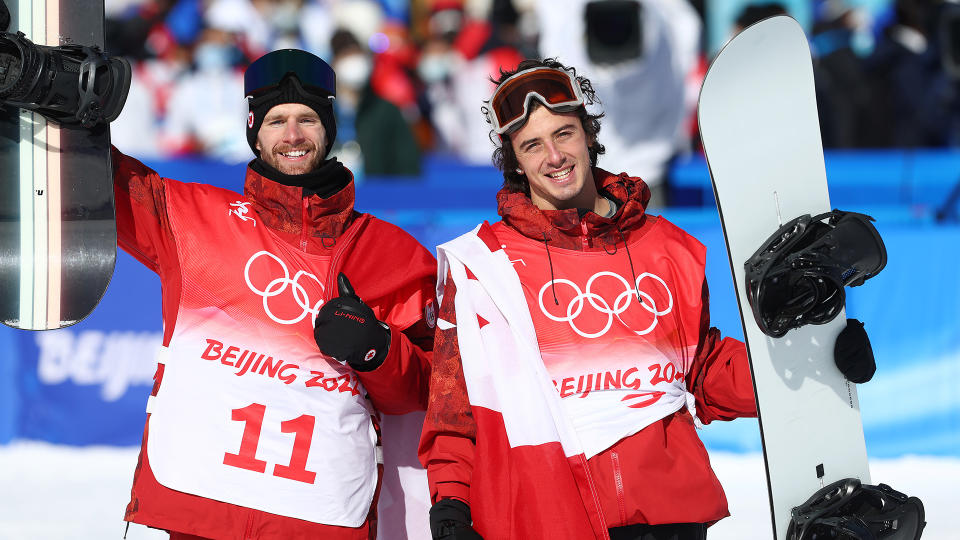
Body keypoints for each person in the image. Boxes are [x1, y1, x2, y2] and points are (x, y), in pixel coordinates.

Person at [417, 58, 879, 539]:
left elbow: (702, 370)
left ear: (589, 135)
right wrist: (450, 505)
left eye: (565, 133)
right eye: (532, 145)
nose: (554, 156)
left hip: (669, 515)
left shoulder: (668, 247)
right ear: (514, 161)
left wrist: (819, 357)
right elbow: (456, 405)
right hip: (551, 514)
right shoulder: (482, 267)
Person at [1, 39, 437, 538]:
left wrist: (377, 351)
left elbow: (426, 390)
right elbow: (94, 177)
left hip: (319, 517)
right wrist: (41, 87)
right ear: (254, 131)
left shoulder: (394, 254)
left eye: (308, 120)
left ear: (329, 129)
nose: (292, 135)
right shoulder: (191, 218)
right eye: (276, 121)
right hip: (200, 510)